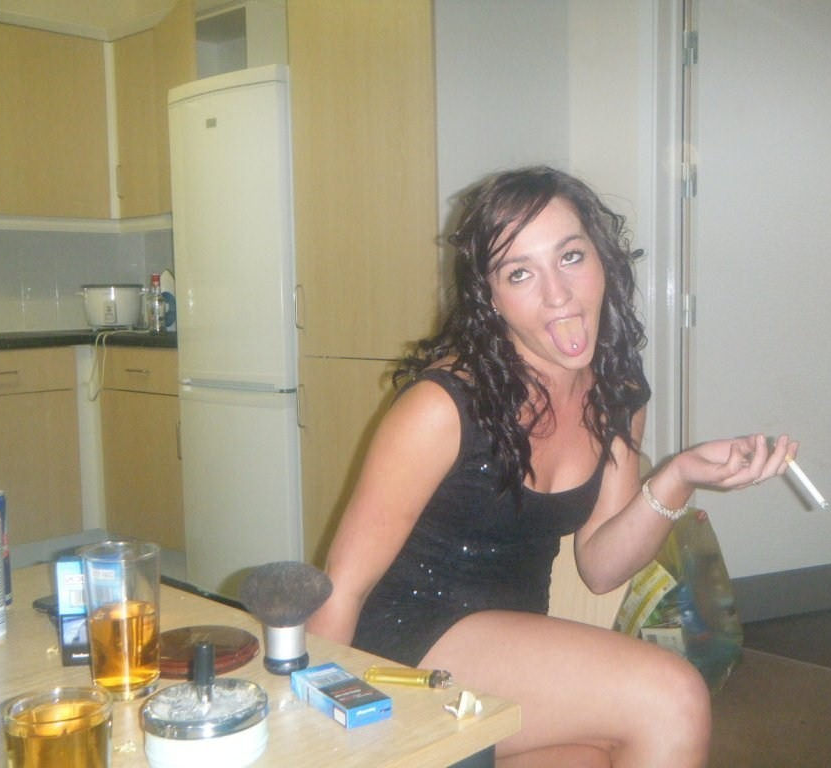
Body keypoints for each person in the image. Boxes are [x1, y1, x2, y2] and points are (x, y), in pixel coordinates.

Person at [307, 166, 797, 767]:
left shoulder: (616, 391)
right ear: (490, 298)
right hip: (402, 650)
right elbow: (343, 587)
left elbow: (601, 566)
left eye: (570, 257)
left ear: (602, 258)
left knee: (596, 757)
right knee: (672, 697)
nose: (558, 294)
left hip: (509, 649)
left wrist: (678, 476)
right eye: (520, 273)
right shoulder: (441, 408)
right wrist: (314, 739)